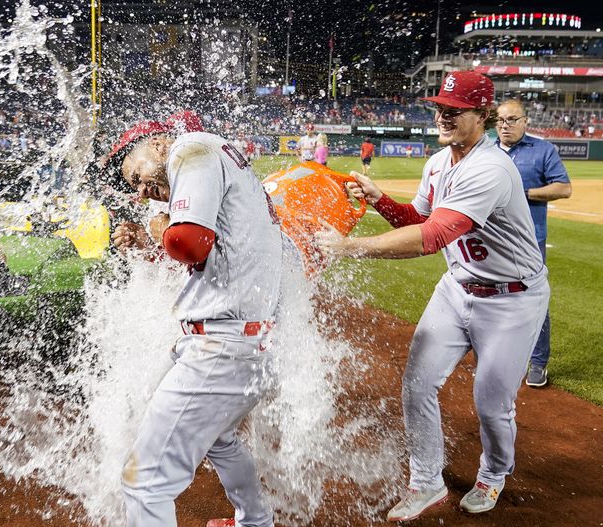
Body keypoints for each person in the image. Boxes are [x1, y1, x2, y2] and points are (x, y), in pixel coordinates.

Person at [315, 71, 549, 521]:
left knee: (491, 403)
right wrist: (380, 198)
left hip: (511, 299)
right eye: (439, 108)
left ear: (481, 116)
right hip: (457, 287)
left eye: (453, 110)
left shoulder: (491, 168)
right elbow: (414, 217)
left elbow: (433, 236)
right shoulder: (439, 162)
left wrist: (349, 247)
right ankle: (426, 482)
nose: (442, 116)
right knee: (417, 385)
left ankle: (494, 474)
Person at [105, 119, 283, 527]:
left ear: (160, 144)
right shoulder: (221, 164)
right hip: (245, 343)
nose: (139, 190)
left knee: (145, 482)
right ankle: (254, 522)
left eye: (136, 174)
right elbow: (206, 262)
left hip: (220, 351)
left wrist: (158, 228)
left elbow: (188, 242)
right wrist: (152, 241)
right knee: (221, 442)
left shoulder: (191, 148)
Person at [495, 99, 572, 388]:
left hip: (529, 240)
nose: (506, 125)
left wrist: (522, 193)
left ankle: (538, 362)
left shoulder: (543, 150)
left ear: (526, 122)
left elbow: (563, 188)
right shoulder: (485, 151)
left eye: (513, 119)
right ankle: (496, 355)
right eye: (501, 120)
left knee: (533, 300)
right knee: (489, 297)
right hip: (490, 238)